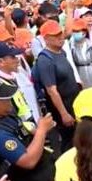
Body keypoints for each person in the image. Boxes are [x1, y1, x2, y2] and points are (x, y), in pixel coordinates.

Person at [32, 20, 82, 153]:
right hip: (64, 109)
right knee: (70, 143)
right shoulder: (45, 60)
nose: (61, 37)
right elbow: (52, 90)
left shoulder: (61, 52)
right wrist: (64, 114)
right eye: (56, 35)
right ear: (46, 39)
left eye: (61, 33)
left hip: (73, 104)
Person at [68, 18, 92, 89]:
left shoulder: (91, 45)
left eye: (77, 31)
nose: (75, 33)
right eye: (74, 31)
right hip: (81, 80)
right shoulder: (70, 46)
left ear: (84, 32)